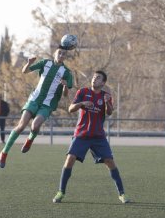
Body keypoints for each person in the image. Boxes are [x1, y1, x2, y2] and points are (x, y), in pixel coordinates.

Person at [52, 71, 130, 204]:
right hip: (81, 135)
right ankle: (61, 192)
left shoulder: (106, 96)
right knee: (69, 159)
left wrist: (107, 103)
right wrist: (82, 104)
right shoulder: (83, 92)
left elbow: (109, 112)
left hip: (98, 137)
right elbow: (71, 108)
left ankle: (122, 194)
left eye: (98, 78)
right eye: (93, 77)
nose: (94, 79)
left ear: (103, 83)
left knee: (110, 162)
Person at [0, 47, 73, 168]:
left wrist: (64, 87)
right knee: (21, 126)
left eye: (64, 54)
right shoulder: (45, 63)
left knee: (35, 126)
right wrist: (29, 63)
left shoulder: (66, 72)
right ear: (55, 53)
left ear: (65, 57)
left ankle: (30, 140)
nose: (61, 55)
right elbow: (24, 71)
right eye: (60, 52)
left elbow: (66, 94)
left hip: (47, 104)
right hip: (34, 99)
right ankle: (4, 153)